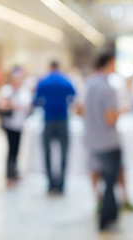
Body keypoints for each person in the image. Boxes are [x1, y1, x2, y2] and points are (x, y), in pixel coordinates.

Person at [84, 51, 123, 231]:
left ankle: (113, 213)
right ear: (109, 63)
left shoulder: (90, 85)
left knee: (103, 178)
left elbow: (80, 109)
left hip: (93, 139)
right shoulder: (108, 88)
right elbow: (110, 119)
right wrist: (122, 111)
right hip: (108, 141)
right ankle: (105, 219)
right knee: (110, 180)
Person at [34, 61, 76, 194]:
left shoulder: (44, 81)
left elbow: (36, 101)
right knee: (64, 151)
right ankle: (61, 183)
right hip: (63, 119)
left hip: (49, 119)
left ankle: (51, 183)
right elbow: (73, 96)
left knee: (47, 151)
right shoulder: (65, 80)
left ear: (50, 67)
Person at [0, 66, 32, 188]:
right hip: (9, 124)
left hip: (20, 123)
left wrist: (22, 108)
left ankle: (15, 172)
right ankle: (9, 175)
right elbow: (1, 106)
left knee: (17, 149)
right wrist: (13, 105)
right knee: (11, 149)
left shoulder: (24, 90)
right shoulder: (7, 90)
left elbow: (28, 106)